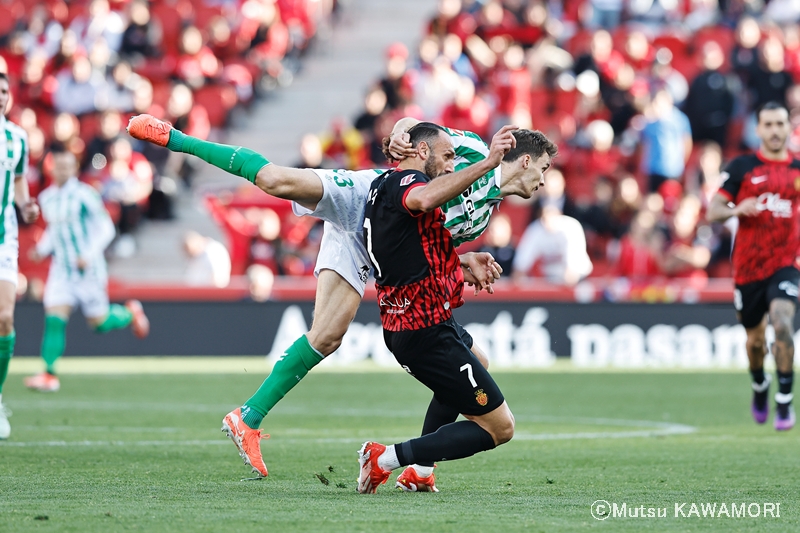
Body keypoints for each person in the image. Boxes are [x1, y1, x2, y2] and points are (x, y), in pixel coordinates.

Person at [126, 114, 557, 482]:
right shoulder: (469, 147)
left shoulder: (484, 214)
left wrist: (463, 264)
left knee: (329, 336)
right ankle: (175, 139)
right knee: (276, 179)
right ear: (525, 159)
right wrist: (398, 133)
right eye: (544, 170)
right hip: (374, 196)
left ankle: (251, 419)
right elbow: (418, 135)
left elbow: (424, 248)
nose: (543, 182)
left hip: (375, 244)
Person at [357, 122, 517, 494]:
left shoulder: (382, 188)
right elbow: (424, 199)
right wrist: (488, 162)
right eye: (448, 157)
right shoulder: (405, 186)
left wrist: (464, 261)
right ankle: (385, 458)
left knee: (480, 359)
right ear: (422, 152)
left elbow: (414, 254)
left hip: (412, 323)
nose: (452, 166)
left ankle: (420, 470)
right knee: (500, 427)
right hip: (425, 330)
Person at [25, 145, 150, 392]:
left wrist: (88, 255)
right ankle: (49, 374)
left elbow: (106, 228)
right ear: (52, 167)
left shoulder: (85, 195)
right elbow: (54, 229)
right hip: (62, 271)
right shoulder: (47, 197)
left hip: (88, 271)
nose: (62, 170)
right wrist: (41, 249)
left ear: (74, 168)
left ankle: (129, 313)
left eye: (66, 166)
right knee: (54, 318)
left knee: (99, 323)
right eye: (58, 166)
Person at [706, 101, 799, 431]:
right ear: (758, 129)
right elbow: (712, 211)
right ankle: (760, 385)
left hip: (787, 264)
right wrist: (736, 208)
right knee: (755, 341)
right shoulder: (742, 166)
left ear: (789, 128)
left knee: (783, 322)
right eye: (768, 125)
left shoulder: (798, 170)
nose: (775, 131)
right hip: (748, 268)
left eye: (780, 124)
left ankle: (785, 399)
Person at [0, 72, 40, 440]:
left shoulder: (16, 138)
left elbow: (17, 184)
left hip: (3, 238)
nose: (0, 96)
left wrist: (25, 206)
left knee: (5, 317)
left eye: (4, 90)